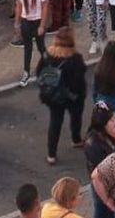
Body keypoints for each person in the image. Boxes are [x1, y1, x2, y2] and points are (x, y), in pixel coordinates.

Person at [36, 26, 87, 165]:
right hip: (71, 97)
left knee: (55, 122)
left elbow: (38, 73)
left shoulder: (47, 55)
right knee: (76, 118)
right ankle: (76, 139)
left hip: (53, 96)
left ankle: (51, 154)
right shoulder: (75, 58)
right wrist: (80, 95)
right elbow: (79, 81)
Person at [15, 0, 51, 87]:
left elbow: (45, 8)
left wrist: (42, 25)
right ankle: (26, 73)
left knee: (41, 47)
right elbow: (19, 7)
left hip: (38, 21)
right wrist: (17, 23)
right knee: (27, 48)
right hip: (26, 22)